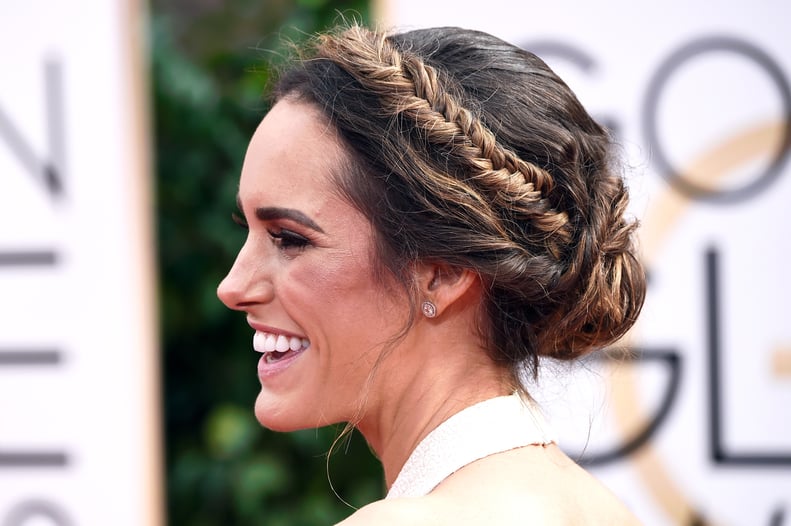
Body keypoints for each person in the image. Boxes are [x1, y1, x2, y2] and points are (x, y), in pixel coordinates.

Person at [217, 23, 646, 525]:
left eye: (289, 239)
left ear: (443, 273)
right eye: (246, 230)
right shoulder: (603, 511)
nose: (233, 287)